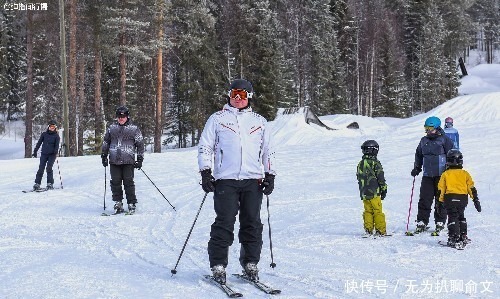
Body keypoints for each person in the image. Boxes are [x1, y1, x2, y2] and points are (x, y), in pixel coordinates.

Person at [197, 79, 276, 284]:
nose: (237, 99)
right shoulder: (217, 119)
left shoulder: (259, 121)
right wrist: (206, 172)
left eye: (241, 95)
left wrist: (270, 174)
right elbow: (205, 146)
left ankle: (250, 263)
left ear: (249, 96)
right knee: (224, 222)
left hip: (253, 180)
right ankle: (218, 264)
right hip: (226, 179)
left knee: (252, 222)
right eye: (234, 94)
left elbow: (268, 150)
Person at [411, 116, 454, 233]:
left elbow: (452, 154)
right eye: (426, 128)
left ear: (436, 127)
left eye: (430, 128)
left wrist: (452, 169)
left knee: (440, 199)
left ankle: (440, 221)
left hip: (442, 175)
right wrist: (417, 168)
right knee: (424, 199)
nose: (427, 131)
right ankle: (422, 221)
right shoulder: (423, 140)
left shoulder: (445, 140)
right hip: (427, 175)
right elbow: (419, 155)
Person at [101, 106, 144, 214]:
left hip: (128, 160)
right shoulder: (111, 128)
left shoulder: (134, 129)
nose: (121, 118)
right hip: (114, 160)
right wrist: (103, 156)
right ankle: (118, 203)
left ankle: (131, 203)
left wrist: (140, 159)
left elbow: (140, 144)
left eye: (123, 116)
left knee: (128, 182)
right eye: (119, 116)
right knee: (115, 182)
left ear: (127, 116)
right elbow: (106, 142)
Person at [437, 149, 481, 248]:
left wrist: (439, 202)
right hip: (463, 199)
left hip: (450, 198)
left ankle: (454, 237)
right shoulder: (465, 174)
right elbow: (471, 188)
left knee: (452, 216)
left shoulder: (445, 174)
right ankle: (463, 235)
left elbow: (441, 190)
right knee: (461, 215)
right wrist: (475, 200)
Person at [356, 140, 388, 236]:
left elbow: (359, 177)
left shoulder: (360, 163)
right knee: (377, 210)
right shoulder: (375, 163)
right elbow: (380, 178)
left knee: (368, 211)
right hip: (374, 192)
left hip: (364, 193)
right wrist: (384, 189)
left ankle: (368, 229)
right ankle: (380, 230)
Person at [32, 120, 60, 190]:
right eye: (51, 126)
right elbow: (39, 143)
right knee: (41, 168)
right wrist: (35, 151)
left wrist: (55, 152)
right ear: (48, 127)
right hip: (44, 154)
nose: (52, 128)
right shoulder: (44, 134)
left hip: (52, 155)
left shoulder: (56, 136)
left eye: (53, 127)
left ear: (55, 127)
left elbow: (57, 146)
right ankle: (37, 184)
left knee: (49, 168)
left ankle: (50, 183)